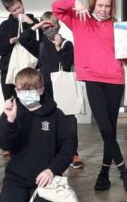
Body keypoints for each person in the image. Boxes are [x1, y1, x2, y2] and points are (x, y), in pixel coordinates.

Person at [51, 0, 127, 192]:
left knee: (110, 131)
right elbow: (56, 7)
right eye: (100, 5)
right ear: (92, 3)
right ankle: (124, 170)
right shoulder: (81, 19)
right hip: (93, 79)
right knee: (106, 129)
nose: (104, 9)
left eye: (108, 6)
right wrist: (75, 2)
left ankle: (104, 173)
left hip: (115, 80)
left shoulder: (118, 26)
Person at [0, 68, 78, 202]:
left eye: (31, 89)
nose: (26, 93)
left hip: (46, 178)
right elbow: (5, 144)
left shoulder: (56, 115)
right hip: (17, 178)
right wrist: (10, 121)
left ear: (41, 89)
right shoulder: (10, 114)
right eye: (22, 89)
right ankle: (23, 199)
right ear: (16, 90)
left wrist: (52, 170)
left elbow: (68, 150)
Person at [20, 11, 84, 169]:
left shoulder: (67, 43)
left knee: (69, 121)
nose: (48, 29)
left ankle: (72, 154)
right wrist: (35, 26)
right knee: (47, 120)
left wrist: (58, 47)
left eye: (51, 25)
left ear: (58, 25)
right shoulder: (40, 44)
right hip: (46, 88)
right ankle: (50, 151)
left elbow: (68, 62)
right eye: (45, 26)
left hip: (64, 86)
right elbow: (23, 39)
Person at [0, 0, 38, 101]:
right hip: (9, 70)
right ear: (8, 11)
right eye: (14, 10)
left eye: (19, 7)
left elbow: (41, 42)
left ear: (22, 3)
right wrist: (9, 42)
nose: (18, 11)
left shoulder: (34, 21)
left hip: (30, 69)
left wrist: (31, 23)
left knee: (30, 102)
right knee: (11, 102)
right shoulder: (5, 26)